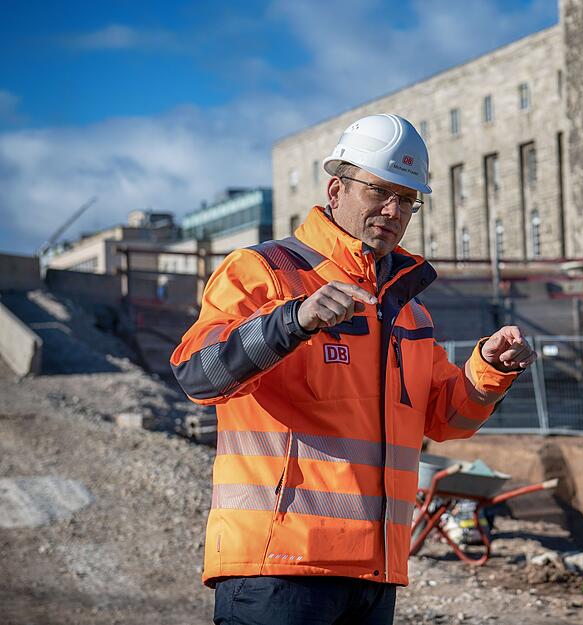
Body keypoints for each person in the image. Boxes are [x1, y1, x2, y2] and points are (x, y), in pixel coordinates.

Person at [170, 113, 537, 625]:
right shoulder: (263, 272)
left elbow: (444, 420)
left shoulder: (406, 308)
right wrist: (293, 321)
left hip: (373, 574)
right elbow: (198, 373)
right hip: (279, 569)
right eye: (380, 191)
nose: (394, 210)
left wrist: (488, 370)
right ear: (336, 189)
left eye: (408, 199)